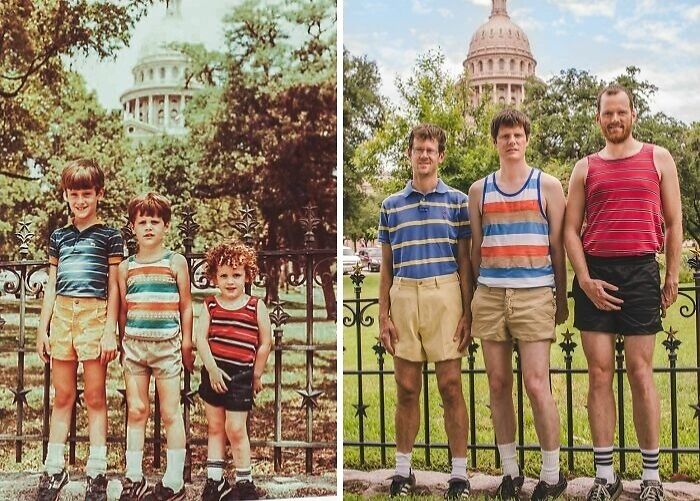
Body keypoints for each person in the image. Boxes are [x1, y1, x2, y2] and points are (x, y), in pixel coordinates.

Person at [564, 84, 682, 501]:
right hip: (596, 272)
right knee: (598, 374)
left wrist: (671, 275)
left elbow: (673, 221)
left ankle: (651, 476)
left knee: (640, 371)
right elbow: (569, 231)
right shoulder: (585, 168)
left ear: (633, 114)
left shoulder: (658, 158)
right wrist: (584, 280)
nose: (614, 119)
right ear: (598, 118)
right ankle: (604, 474)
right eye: (607, 114)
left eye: (621, 112)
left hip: (640, 271)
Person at [468, 109, 568, 500]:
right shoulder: (480, 190)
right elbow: (477, 248)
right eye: (504, 135)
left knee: (536, 383)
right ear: (495, 141)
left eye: (517, 134)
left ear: (527, 138)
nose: (511, 141)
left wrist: (560, 298)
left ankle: (551, 472)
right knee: (497, 384)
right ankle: (510, 472)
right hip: (491, 295)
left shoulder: (548, 185)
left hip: (534, 293)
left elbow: (557, 248)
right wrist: (478, 291)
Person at [378, 123, 473, 499]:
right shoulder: (391, 206)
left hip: (443, 291)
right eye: (418, 149)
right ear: (409, 154)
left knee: (450, 385)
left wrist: (467, 312)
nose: (424, 155)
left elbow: (465, 262)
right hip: (404, 292)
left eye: (430, 149)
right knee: (406, 387)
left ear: (441, 156)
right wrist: (384, 316)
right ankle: (403, 471)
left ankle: (460, 474)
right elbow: (386, 267)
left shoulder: (457, 202)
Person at [35, 159, 123, 501]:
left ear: (99, 194)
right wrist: (44, 329)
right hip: (63, 317)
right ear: (66, 195)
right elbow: (53, 285)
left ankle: (97, 469)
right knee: (62, 396)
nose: (81, 201)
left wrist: (109, 331)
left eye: (87, 194)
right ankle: (54, 467)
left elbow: (114, 287)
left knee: (96, 397)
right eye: (74, 194)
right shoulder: (59, 237)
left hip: (94, 316)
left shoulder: (110, 236)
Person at [117, 193, 194, 501]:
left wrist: (187, 341)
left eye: (155, 221)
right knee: (136, 410)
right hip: (134, 348)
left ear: (166, 226)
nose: (148, 227)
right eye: (142, 222)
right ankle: (133, 476)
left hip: (167, 348)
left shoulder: (175, 262)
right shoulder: (126, 267)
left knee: (172, 412)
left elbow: (186, 306)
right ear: (133, 227)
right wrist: (123, 343)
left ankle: (174, 480)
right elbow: (124, 308)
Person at [196, 241, 272, 501]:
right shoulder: (210, 305)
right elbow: (201, 340)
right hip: (214, 373)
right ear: (214, 277)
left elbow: (265, 342)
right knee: (215, 427)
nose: (230, 281)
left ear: (247, 276)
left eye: (236, 275)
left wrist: (257, 374)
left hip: (241, 375)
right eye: (224, 275)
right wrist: (212, 369)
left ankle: (244, 481)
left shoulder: (254, 306)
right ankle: (215, 481)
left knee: (236, 429)